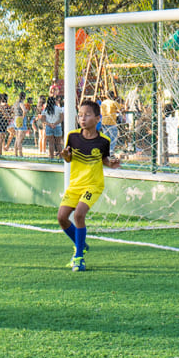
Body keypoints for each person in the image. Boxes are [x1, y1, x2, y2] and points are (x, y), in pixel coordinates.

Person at [57, 99, 119, 272]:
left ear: (98, 119)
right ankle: (81, 244)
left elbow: (103, 158)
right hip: (75, 185)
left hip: (93, 185)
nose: (82, 118)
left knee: (78, 215)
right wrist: (65, 156)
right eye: (80, 115)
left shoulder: (104, 141)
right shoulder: (72, 136)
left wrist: (111, 164)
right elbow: (68, 158)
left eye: (87, 115)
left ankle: (79, 257)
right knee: (61, 217)